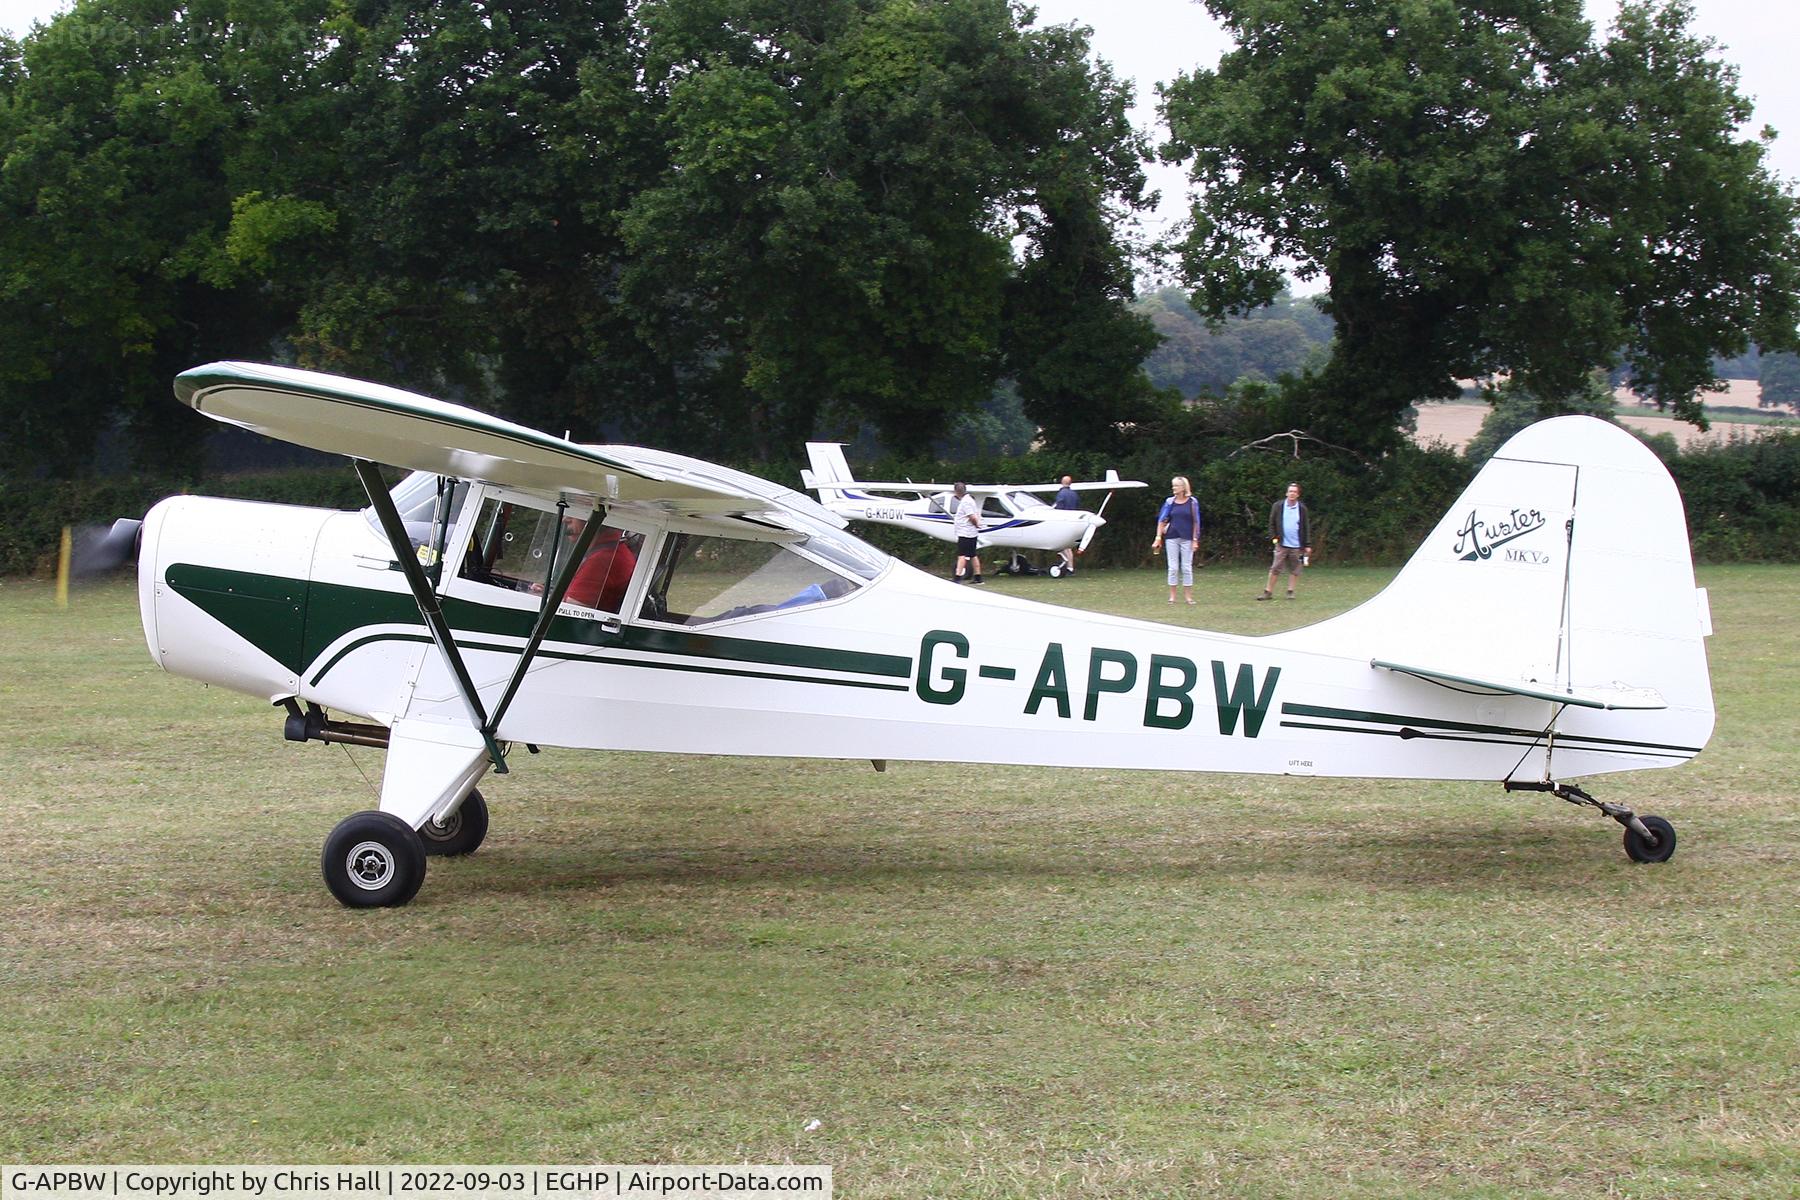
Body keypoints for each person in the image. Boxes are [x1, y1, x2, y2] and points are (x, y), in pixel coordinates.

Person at [562, 517, 637, 611]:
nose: (565, 519)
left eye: (575, 514)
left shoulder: (603, 559)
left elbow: (571, 611)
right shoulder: (611, 550)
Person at [1151, 475, 1201, 605]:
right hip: (1172, 537)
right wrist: (1158, 537)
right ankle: (1172, 596)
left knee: (1186, 567)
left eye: (1176, 485)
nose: (1174, 488)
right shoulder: (1169, 502)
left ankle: (1188, 597)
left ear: (1184, 487)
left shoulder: (1192, 502)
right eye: (1173, 485)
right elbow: (1162, 520)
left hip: (1188, 538)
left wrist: (1195, 539)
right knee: (1173, 568)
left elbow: (1196, 522)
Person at [1258, 482, 1311, 601]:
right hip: (1281, 544)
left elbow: (1306, 527)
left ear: (1298, 495)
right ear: (1286, 493)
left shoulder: (1302, 509)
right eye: (1290, 491)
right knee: (1275, 568)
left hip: (1297, 545)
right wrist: (1275, 540)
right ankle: (1268, 592)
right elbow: (1271, 524)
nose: (1292, 493)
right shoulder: (1278, 506)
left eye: (1294, 492)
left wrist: (1307, 544)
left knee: (1295, 568)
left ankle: (1290, 591)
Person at [951, 482, 984, 584]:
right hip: (971, 532)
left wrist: (976, 524)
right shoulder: (970, 499)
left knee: (962, 555)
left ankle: (957, 577)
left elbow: (972, 517)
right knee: (972, 555)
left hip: (966, 532)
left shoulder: (965, 502)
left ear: (956, 491)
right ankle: (978, 577)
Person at [1053, 474, 1080, 575]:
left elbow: (1059, 507)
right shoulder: (1074, 494)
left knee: (1065, 547)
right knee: (1067, 547)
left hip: (1063, 521)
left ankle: (1069, 567)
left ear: (1062, 482)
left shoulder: (1061, 494)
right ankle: (1069, 566)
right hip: (1072, 521)